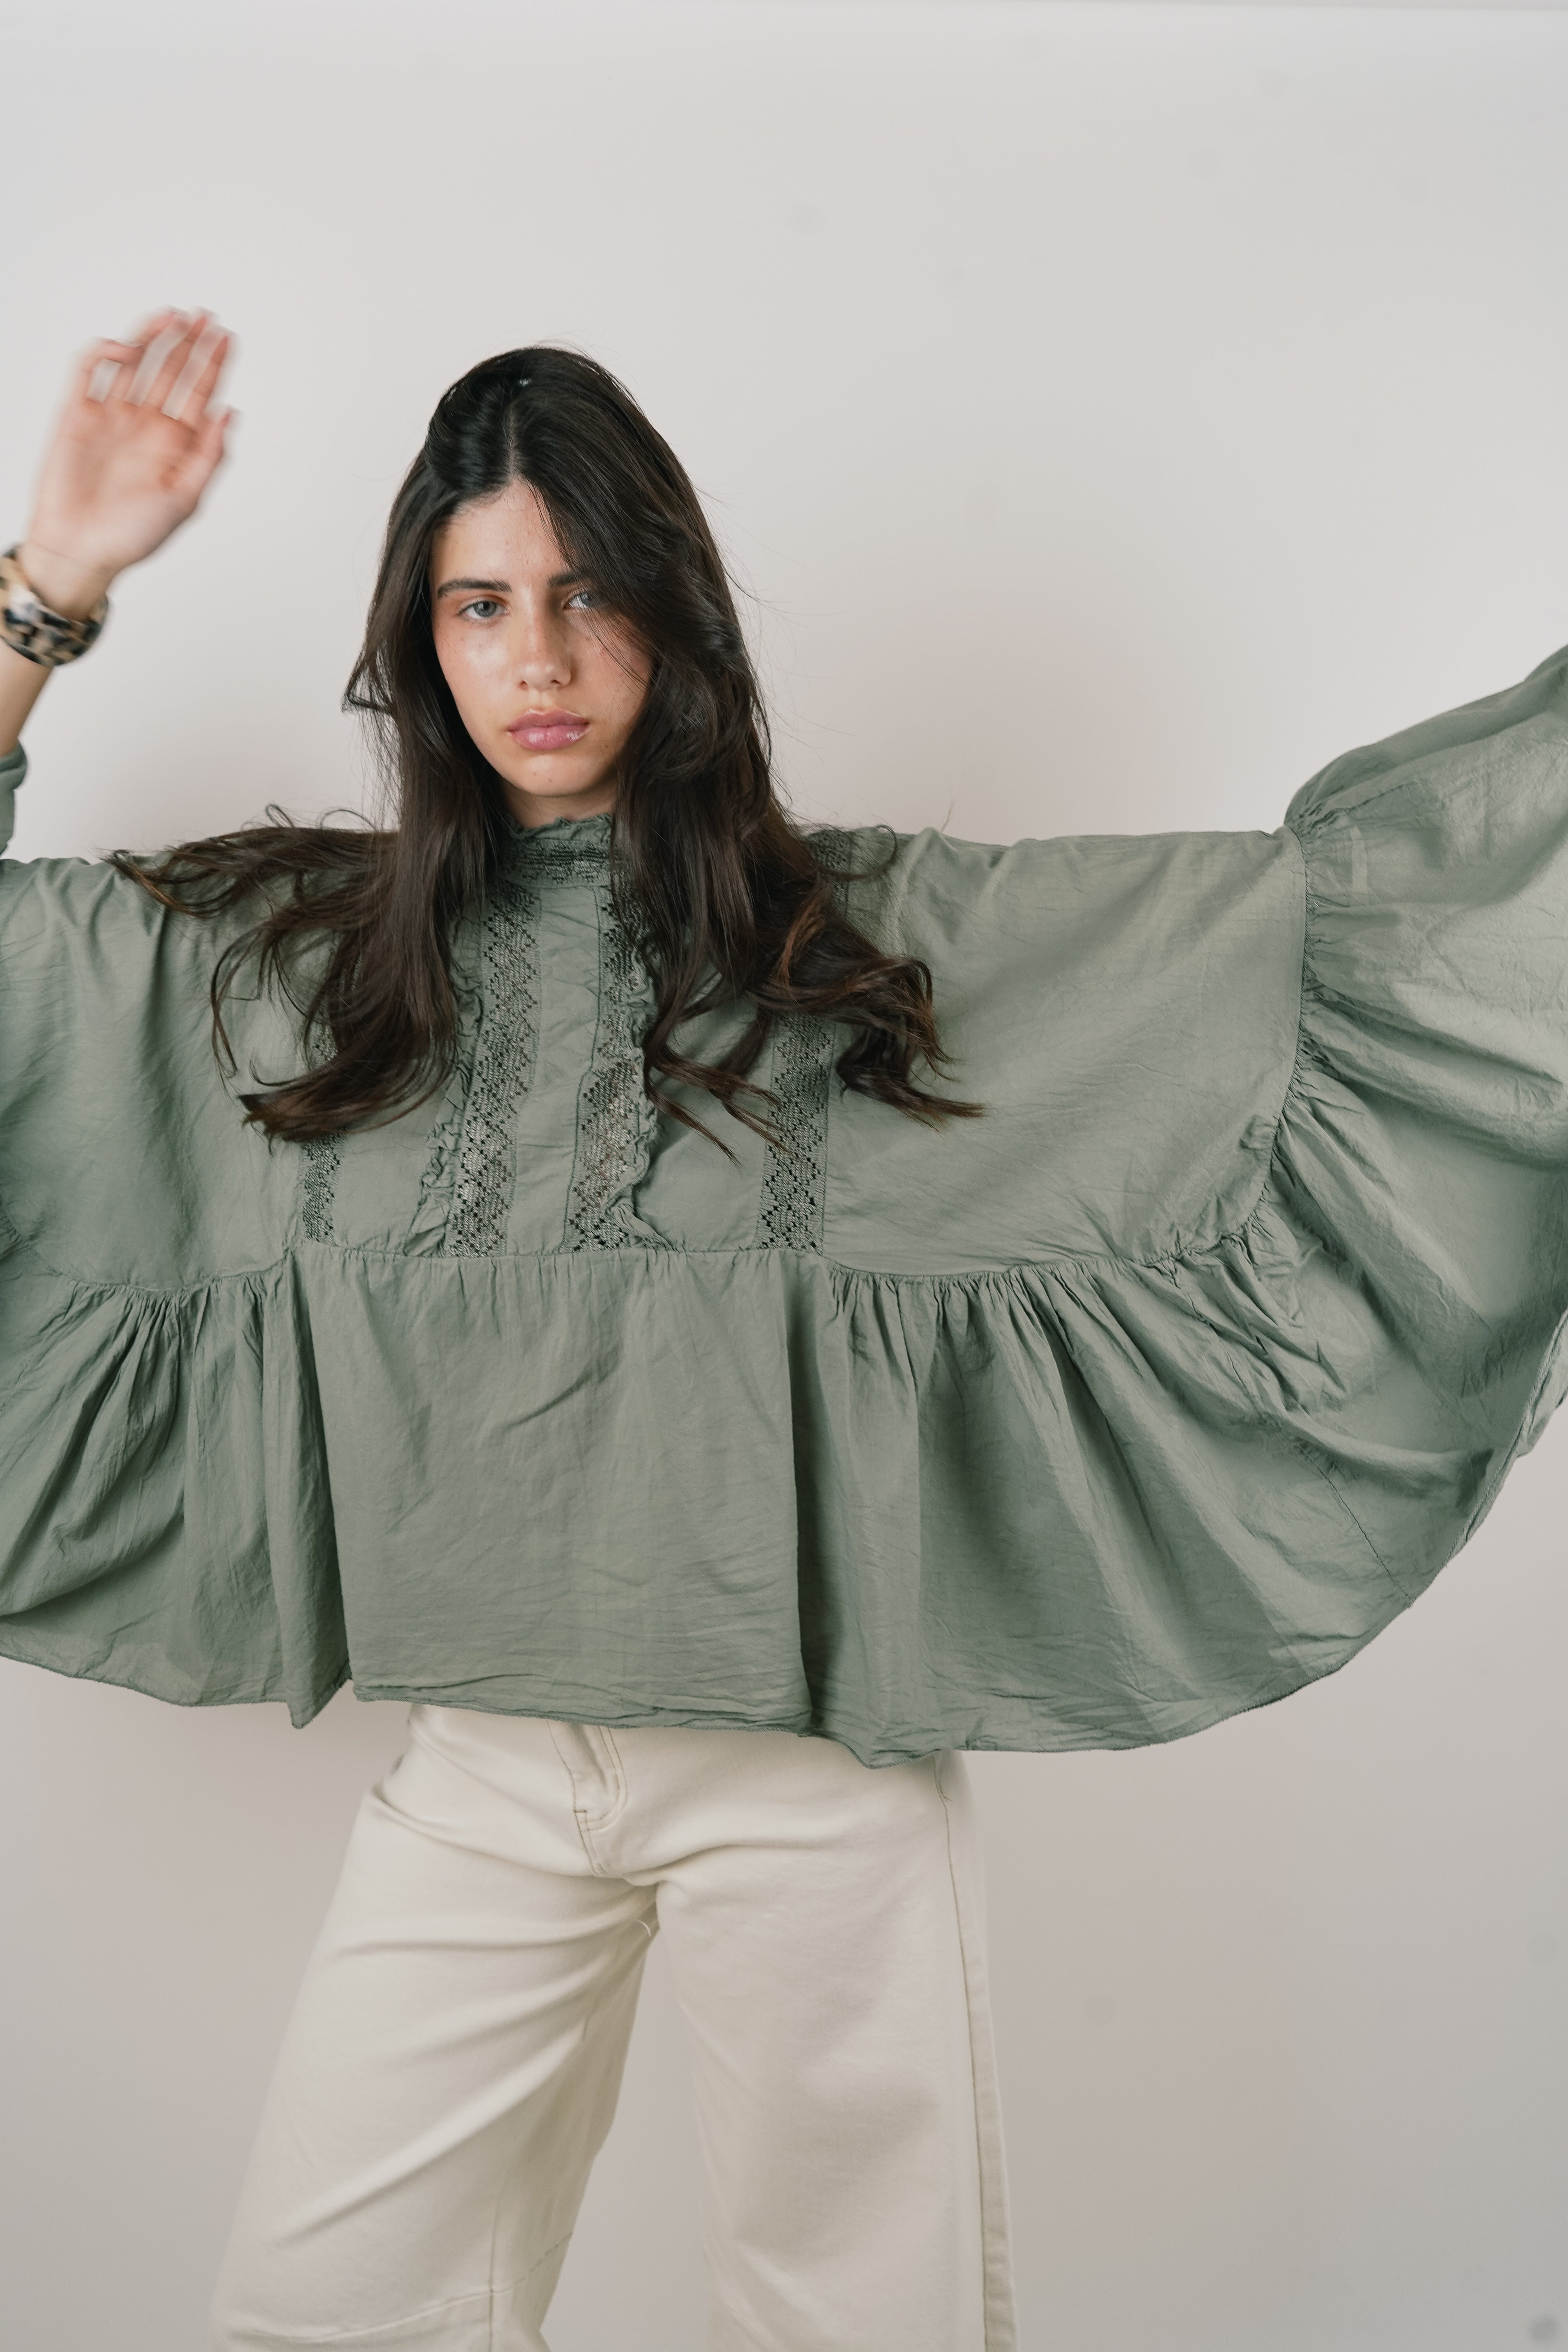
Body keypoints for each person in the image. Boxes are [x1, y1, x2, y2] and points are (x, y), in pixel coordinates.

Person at [2, 311, 1565, 2352]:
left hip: (809, 1772)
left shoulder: (887, 944)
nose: (540, 659)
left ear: (678, 620)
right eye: (480, 605)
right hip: (481, 1769)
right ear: (420, 643)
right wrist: (53, 580)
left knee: (855, 2330)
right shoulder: (292, 963)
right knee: (319, 2312)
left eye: (588, 595)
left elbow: (1368, 933)